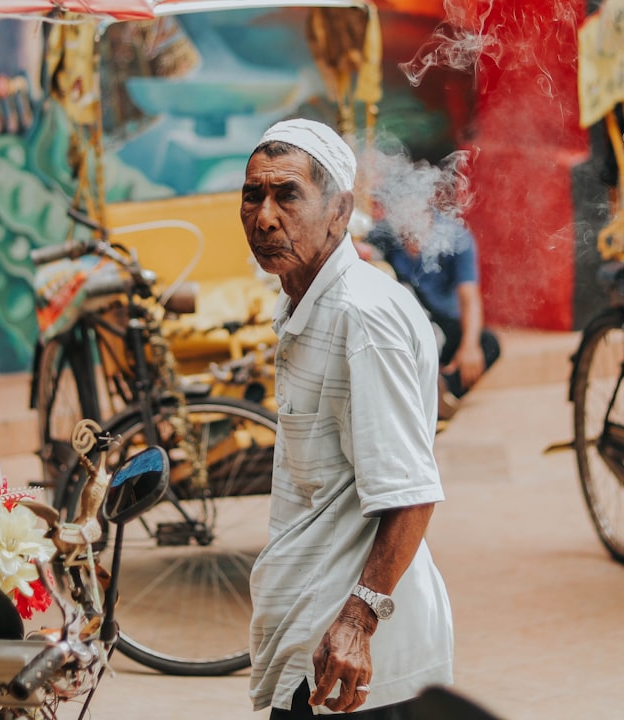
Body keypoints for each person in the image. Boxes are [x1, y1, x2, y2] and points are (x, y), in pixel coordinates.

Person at [242, 118, 453, 718]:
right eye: (252, 196)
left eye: (288, 195)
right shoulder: (304, 304)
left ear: (339, 210)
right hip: (317, 636)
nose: (265, 217)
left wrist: (359, 621)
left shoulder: (361, 318)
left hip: (354, 660)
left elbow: (412, 493)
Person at [364, 202, 500, 420]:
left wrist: (469, 346)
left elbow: (469, 298)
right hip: (403, 328)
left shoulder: (455, 237)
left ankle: (437, 396)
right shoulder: (383, 235)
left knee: (488, 344)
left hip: (442, 325)